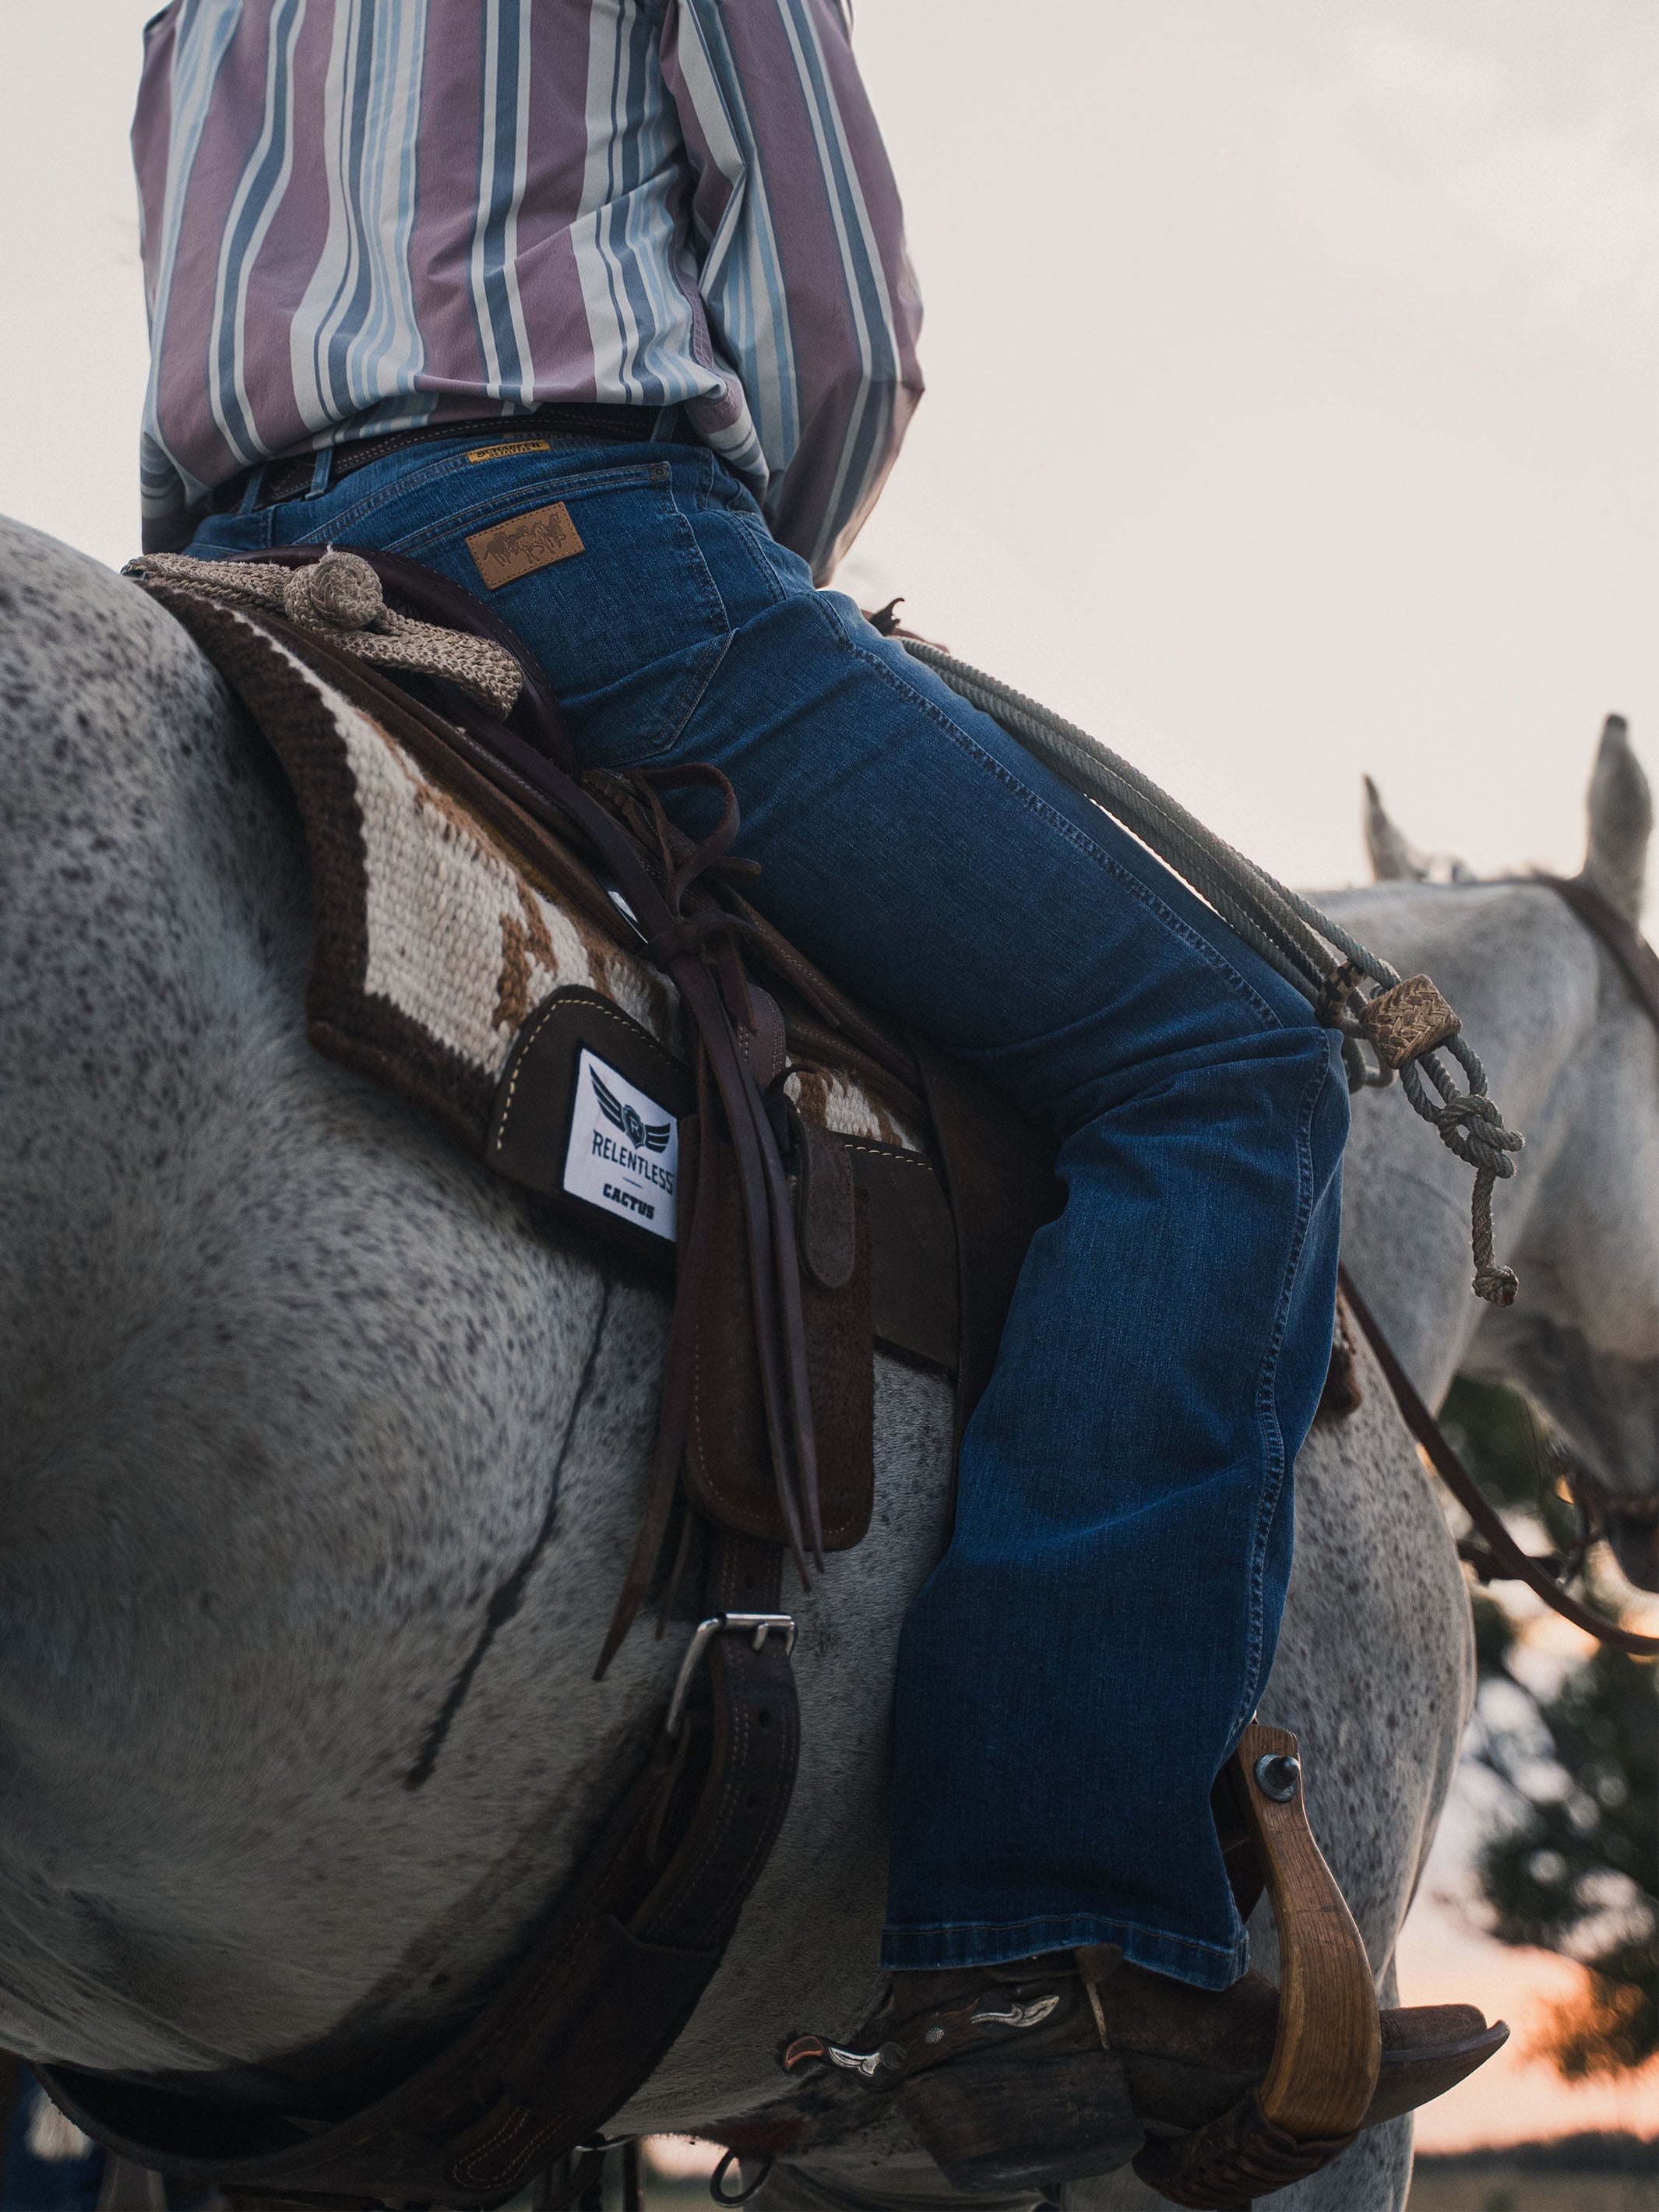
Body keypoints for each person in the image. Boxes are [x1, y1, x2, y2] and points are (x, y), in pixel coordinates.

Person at [129, 2, 1484, 2190]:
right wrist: (766, 566)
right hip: (594, 540)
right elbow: (836, 310)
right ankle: (1044, 1919)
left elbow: (184, 364)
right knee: (1224, 1069)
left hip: (240, 577)